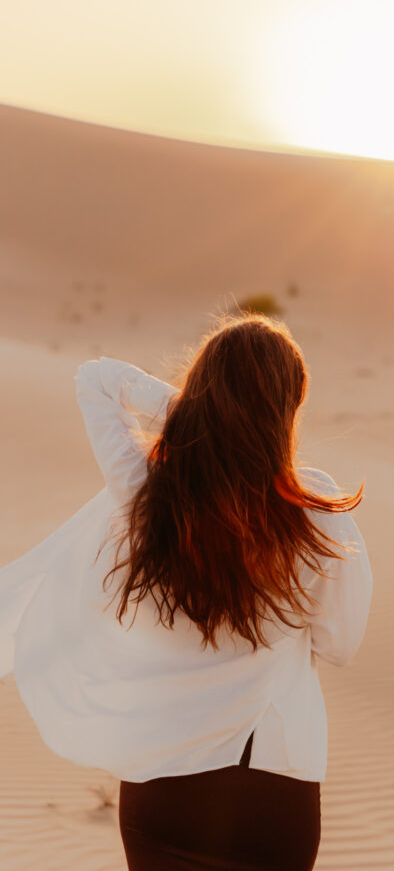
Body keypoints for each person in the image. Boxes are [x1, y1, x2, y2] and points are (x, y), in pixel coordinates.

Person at [0, 312, 373, 870]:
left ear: (200, 392)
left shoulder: (148, 494)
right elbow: (341, 644)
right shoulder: (317, 510)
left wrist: (210, 422)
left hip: (162, 784)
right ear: (290, 405)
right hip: (272, 787)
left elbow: (97, 380)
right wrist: (241, 431)